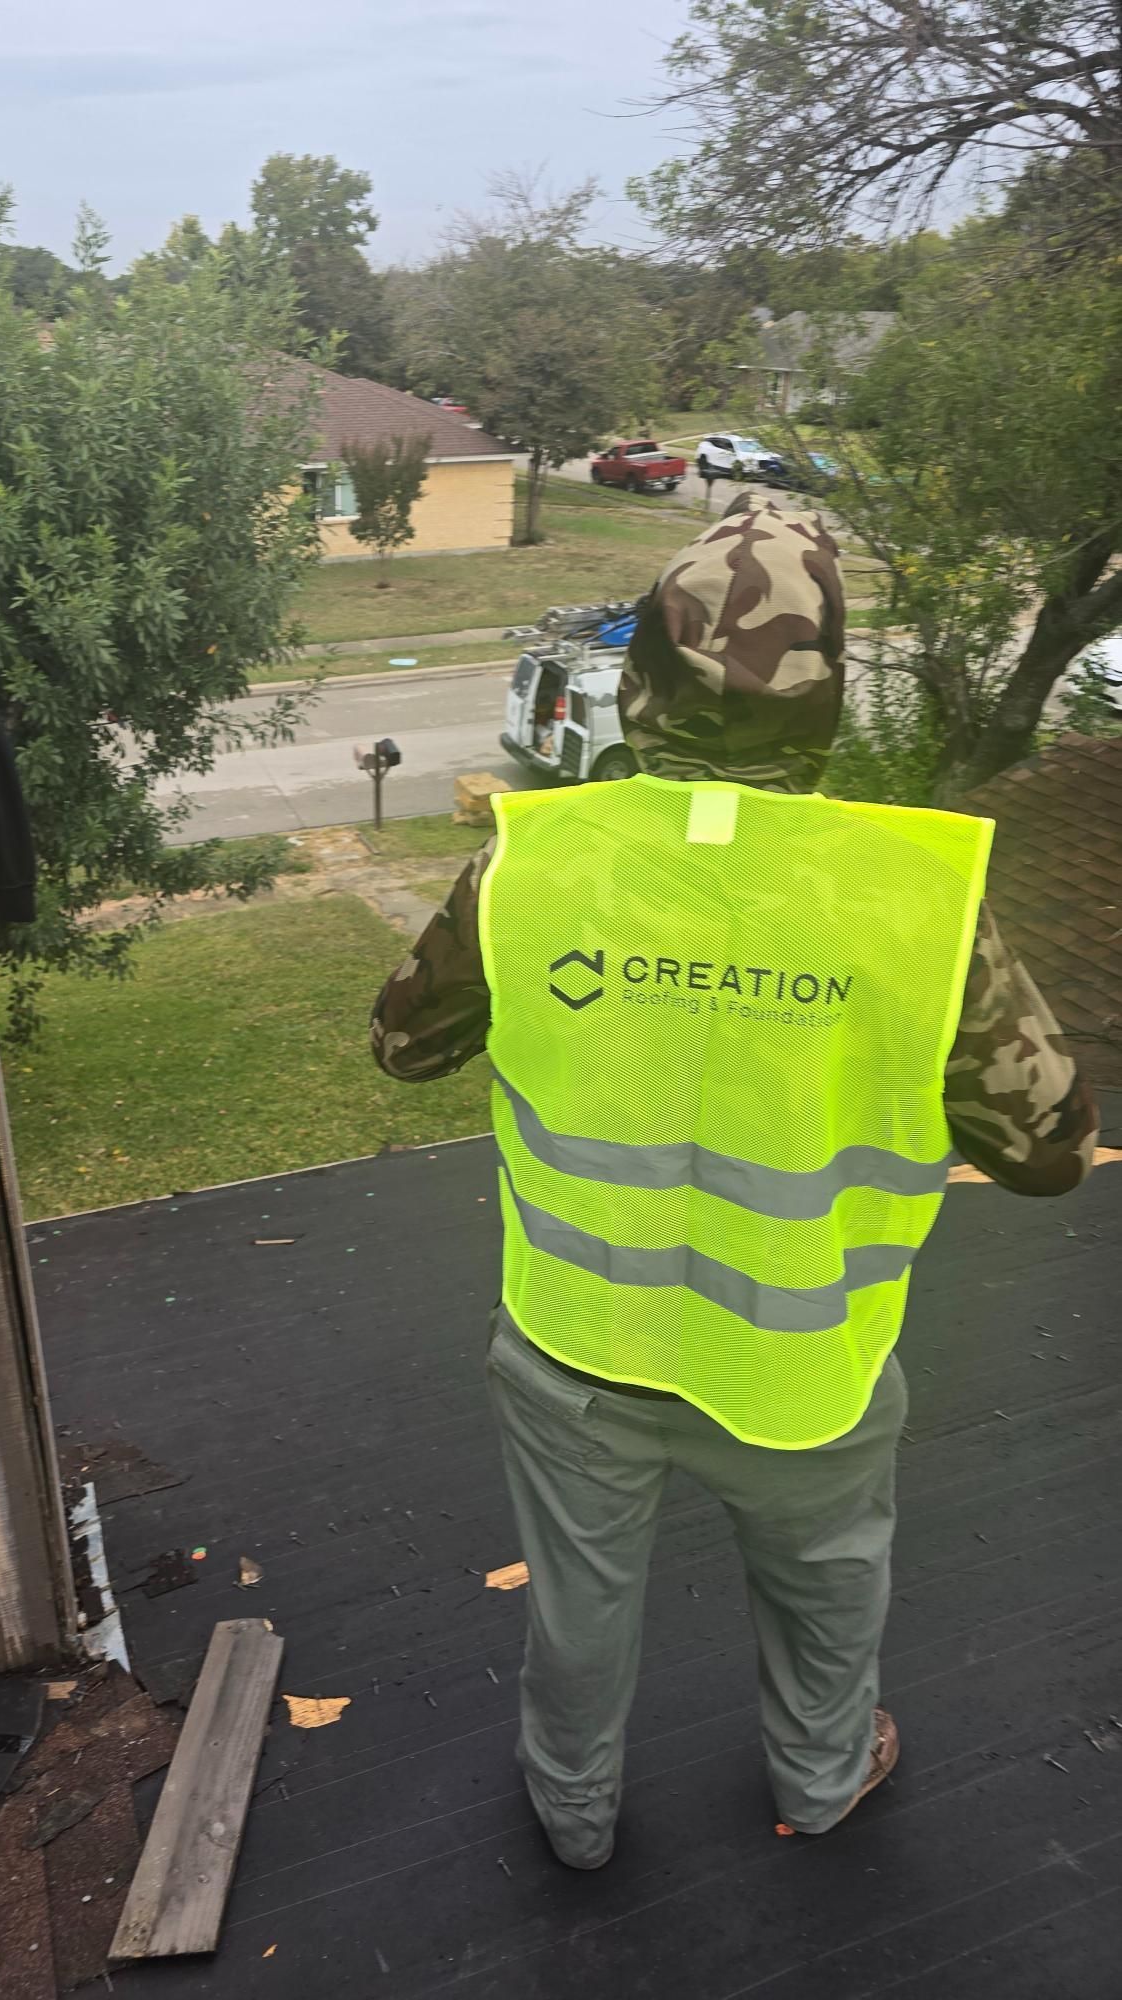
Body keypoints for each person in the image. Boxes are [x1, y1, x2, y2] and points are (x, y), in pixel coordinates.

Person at [370, 494, 1097, 1869]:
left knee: (579, 1610)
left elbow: (406, 1047)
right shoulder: (913, 898)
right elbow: (1052, 1152)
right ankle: (822, 1784)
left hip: (578, 1343)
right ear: (826, 699)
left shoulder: (532, 863)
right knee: (828, 1597)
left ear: (639, 681)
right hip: (801, 1364)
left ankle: (573, 1817)